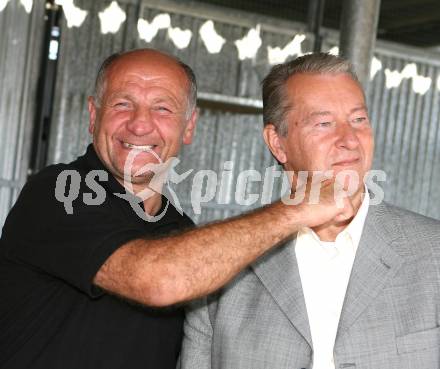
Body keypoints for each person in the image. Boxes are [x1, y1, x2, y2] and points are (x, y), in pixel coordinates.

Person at [0, 49, 353, 369]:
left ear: (189, 127)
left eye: (162, 108)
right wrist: (298, 209)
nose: (140, 124)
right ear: (93, 115)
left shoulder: (180, 231)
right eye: (122, 104)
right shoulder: (57, 193)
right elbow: (157, 279)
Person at [179, 53, 440, 369]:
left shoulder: (432, 252)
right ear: (278, 143)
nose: (349, 140)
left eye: (359, 120)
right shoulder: (221, 263)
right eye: (324, 123)